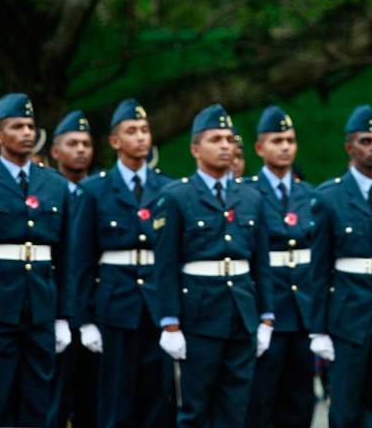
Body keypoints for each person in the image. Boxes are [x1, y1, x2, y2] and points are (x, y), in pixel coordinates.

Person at [0, 93, 74, 427]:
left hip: (41, 305)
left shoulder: (55, 185)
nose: (26, 133)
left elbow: (65, 257)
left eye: (31, 126)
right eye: (17, 126)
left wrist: (63, 315)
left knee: (39, 401)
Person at [153, 104, 274, 428]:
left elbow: (260, 262)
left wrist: (266, 317)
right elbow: (164, 266)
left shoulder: (250, 197)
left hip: (242, 314)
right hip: (199, 315)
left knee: (235, 408)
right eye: (215, 138)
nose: (225, 145)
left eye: (230, 139)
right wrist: (170, 322)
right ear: (195, 149)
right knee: (196, 408)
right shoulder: (176, 197)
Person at [308, 104, 372, 428]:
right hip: (347, 318)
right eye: (365, 141)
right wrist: (318, 329)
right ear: (349, 147)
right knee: (345, 405)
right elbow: (319, 269)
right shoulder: (330, 197)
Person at [71, 99, 175, 427]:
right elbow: (81, 260)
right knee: (117, 399)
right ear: (115, 142)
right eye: (132, 131)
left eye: (145, 130)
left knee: (159, 399)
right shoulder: (95, 190)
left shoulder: (168, 189)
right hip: (115, 305)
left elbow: (173, 257)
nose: (141, 137)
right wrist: (83, 318)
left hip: (157, 305)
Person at [244, 106, 315, 428]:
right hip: (266, 310)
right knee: (261, 399)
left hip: (302, 312)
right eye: (277, 140)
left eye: (290, 140)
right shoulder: (246, 194)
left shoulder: (309, 194)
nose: (285, 147)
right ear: (260, 148)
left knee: (300, 400)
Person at [47, 110, 99, 428]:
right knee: (52, 402)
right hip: (53, 313)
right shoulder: (46, 191)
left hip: (96, 314)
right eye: (72, 143)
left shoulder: (101, 191)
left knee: (92, 403)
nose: (81, 149)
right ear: (55, 151)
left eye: (86, 143)